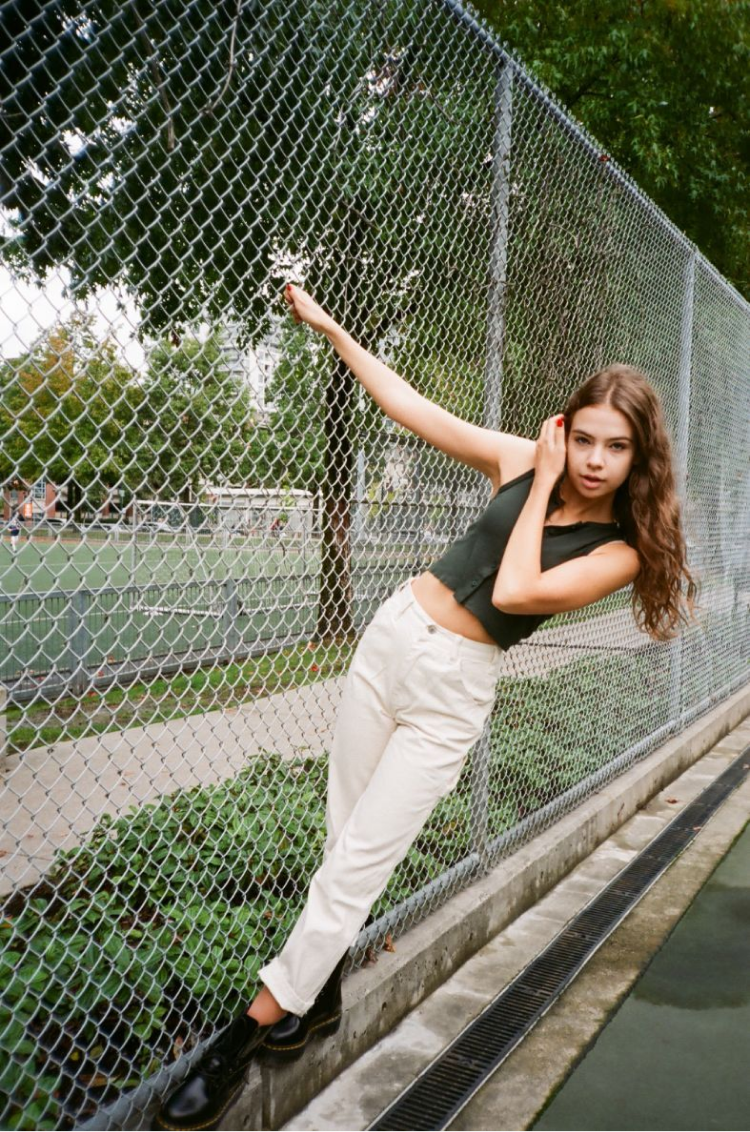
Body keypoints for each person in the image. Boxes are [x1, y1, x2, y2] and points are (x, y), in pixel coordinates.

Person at [152, 284, 698, 1131]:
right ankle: (318, 994)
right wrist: (335, 327)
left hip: (455, 688)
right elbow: (411, 407)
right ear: (566, 428)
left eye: (614, 447)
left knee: (362, 859)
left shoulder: (619, 550)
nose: (593, 458)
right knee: (344, 835)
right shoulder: (522, 459)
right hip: (392, 636)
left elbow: (517, 588)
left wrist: (545, 476)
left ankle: (245, 1036)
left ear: (638, 457)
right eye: (582, 438)